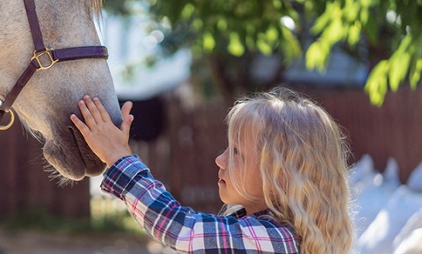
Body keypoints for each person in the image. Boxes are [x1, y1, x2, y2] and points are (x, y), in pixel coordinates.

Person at [70, 87, 353, 254]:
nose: (220, 159)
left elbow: (182, 229)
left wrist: (118, 157)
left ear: (280, 175)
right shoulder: (266, 232)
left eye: (237, 152)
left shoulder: (277, 241)